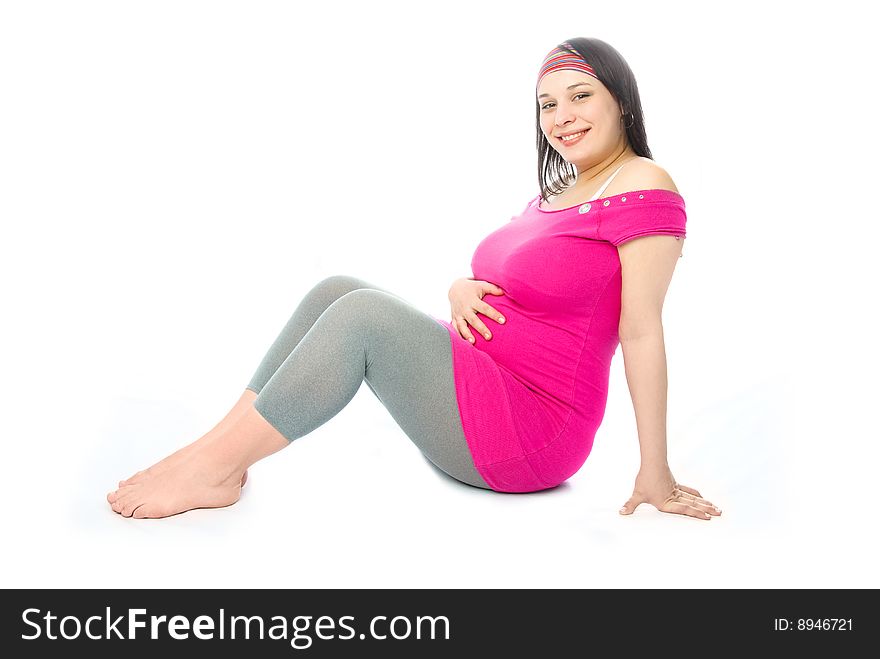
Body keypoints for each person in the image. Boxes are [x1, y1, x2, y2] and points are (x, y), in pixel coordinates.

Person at [107, 37, 721, 521]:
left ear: (619, 98)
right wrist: (459, 288)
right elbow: (526, 280)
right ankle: (215, 453)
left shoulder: (644, 185)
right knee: (337, 289)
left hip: (529, 431)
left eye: (580, 96)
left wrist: (655, 472)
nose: (562, 117)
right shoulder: (560, 190)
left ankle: (210, 470)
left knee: (364, 314)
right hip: (480, 385)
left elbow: (641, 332)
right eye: (548, 104)